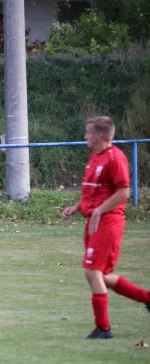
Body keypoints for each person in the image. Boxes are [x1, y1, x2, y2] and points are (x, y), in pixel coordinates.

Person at [62, 116, 150, 339]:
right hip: (93, 221)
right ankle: (147, 299)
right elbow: (95, 191)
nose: (85, 137)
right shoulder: (95, 157)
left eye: (88, 133)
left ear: (99, 135)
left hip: (108, 221)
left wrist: (100, 210)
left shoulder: (115, 158)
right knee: (102, 275)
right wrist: (76, 206)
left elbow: (123, 192)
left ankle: (104, 328)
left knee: (92, 272)